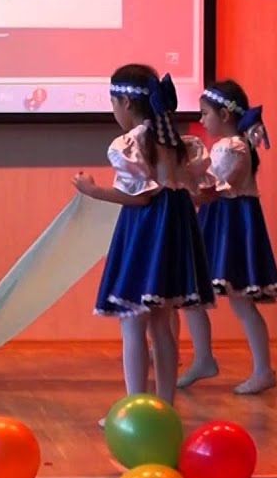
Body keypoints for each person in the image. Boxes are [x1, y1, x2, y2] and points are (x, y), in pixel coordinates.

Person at [73, 63, 214, 417]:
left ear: (126, 103)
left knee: (133, 320)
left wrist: (93, 190)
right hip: (174, 227)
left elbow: (139, 197)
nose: (113, 111)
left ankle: (135, 408)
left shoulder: (131, 143)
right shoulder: (177, 142)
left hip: (146, 229)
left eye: (113, 103)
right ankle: (165, 406)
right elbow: (198, 189)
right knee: (161, 322)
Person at [178, 81, 277, 395]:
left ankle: (262, 369)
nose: (202, 119)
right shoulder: (229, 146)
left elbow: (219, 186)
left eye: (205, 113)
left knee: (238, 301)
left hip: (231, 224)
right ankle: (204, 358)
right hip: (217, 220)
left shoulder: (234, 147)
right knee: (193, 294)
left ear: (224, 114)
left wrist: (188, 194)